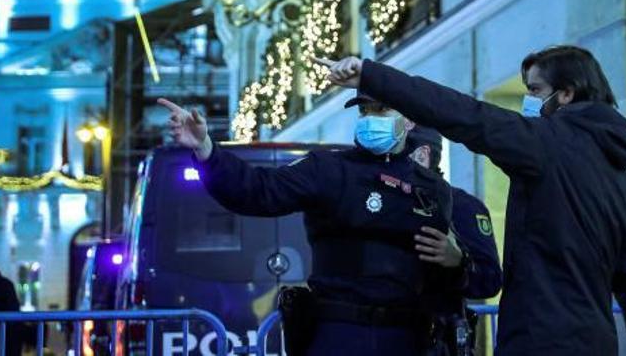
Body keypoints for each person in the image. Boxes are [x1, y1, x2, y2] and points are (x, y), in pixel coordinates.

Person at [318, 45, 626, 355]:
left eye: (534, 90)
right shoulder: (622, 176)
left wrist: (373, 77)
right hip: (598, 340)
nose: (527, 101)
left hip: (541, 339)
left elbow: (463, 114)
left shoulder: (545, 144)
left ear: (566, 94)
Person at [158, 95, 456, 356]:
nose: (370, 119)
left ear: (408, 120)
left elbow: (445, 279)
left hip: (404, 337)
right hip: (338, 332)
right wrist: (206, 149)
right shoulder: (327, 169)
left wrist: (459, 262)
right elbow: (257, 190)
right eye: (365, 111)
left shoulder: (431, 189)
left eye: (382, 109)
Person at [406, 126, 502, 355]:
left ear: (422, 155)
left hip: (436, 338)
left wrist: (460, 262)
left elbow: (490, 280)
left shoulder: (462, 207)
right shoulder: (385, 202)